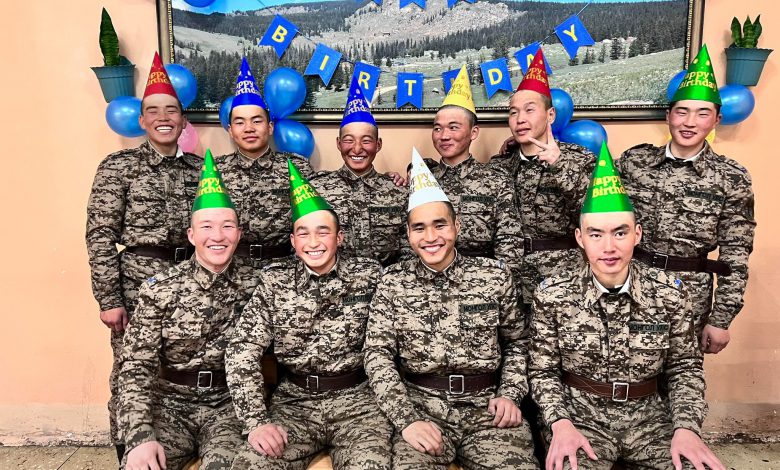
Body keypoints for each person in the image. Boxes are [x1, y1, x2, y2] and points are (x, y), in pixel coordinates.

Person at [530, 143, 724, 470]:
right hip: (581, 420)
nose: (609, 247)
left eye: (619, 233)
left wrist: (686, 429)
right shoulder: (553, 295)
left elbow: (684, 368)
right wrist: (559, 424)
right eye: (596, 235)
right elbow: (542, 371)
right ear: (579, 238)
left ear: (637, 234)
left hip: (651, 422)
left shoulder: (670, 294)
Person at [364, 148, 538, 470]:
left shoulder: (494, 276)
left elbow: (518, 341)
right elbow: (378, 355)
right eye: (419, 228)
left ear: (457, 225)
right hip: (421, 409)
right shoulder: (392, 282)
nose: (430, 237)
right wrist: (406, 419)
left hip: (488, 410)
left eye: (440, 225)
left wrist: (511, 393)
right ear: (408, 233)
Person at [225, 160, 392, 470]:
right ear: (293, 241)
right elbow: (242, 349)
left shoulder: (370, 276)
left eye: (323, 232)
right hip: (294, 404)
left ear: (339, 237)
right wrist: (256, 420)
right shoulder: (275, 282)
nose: (313, 243)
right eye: (303, 234)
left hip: (359, 405)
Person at [86, 52, 202, 462]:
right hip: (138, 282)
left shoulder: (201, 170)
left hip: (192, 281)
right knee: (131, 369)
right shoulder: (118, 167)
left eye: (172, 110)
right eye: (153, 110)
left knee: (178, 368)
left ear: (183, 120)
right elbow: (100, 234)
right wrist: (109, 298)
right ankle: (128, 452)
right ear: (141, 120)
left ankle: (173, 445)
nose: (163, 117)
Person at [119, 151, 256, 470]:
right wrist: (139, 436)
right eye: (206, 227)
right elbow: (136, 364)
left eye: (227, 226)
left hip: (229, 407)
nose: (217, 236)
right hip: (169, 406)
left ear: (239, 234)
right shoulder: (159, 289)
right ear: (192, 235)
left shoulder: (258, 284)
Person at [616, 44, 756, 354]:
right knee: (626, 372)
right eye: (682, 111)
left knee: (682, 374)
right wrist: (519, 148)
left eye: (702, 113)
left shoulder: (731, 177)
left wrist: (721, 320)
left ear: (716, 119)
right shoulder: (634, 162)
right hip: (631, 287)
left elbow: (736, 254)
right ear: (669, 116)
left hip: (689, 298)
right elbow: (590, 188)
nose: (690, 122)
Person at [490, 48, 595, 313]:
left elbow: (594, 216)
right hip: (511, 280)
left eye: (529, 110)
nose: (520, 119)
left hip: (564, 280)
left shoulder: (581, 159)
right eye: (513, 112)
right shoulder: (499, 165)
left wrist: (560, 165)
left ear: (550, 115)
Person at [421, 65, 524, 281]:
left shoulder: (496, 180)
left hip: (483, 282)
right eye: (437, 128)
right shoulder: (423, 179)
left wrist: (498, 285)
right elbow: (409, 241)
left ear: (473, 132)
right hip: (430, 283)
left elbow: (509, 242)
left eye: (453, 127)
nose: (444, 136)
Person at [217, 57, 315, 268]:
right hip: (231, 268)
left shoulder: (297, 168)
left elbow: (313, 220)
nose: (249, 128)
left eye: (257, 121)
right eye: (240, 122)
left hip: (284, 268)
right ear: (230, 131)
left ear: (270, 127)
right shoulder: (216, 171)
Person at [314, 77, 409, 266]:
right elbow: (306, 244)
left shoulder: (399, 190)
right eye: (349, 140)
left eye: (366, 140)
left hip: (386, 280)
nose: (357, 149)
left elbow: (410, 247)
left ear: (378, 145)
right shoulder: (317, 190)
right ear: (338, 144)